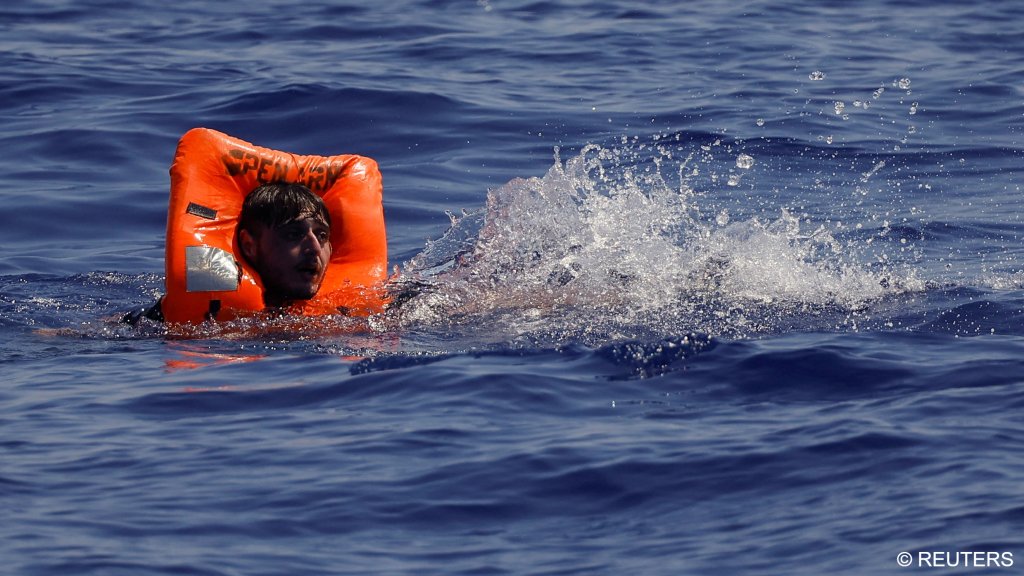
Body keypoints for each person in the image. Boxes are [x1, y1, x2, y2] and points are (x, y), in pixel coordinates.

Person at [124, 181, 333, 324]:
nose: (315, 248)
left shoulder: (344, 315)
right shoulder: (155, 321)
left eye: (322, 235)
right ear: (249, 245)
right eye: (293, 234)